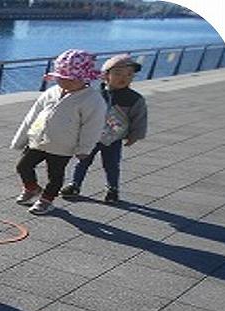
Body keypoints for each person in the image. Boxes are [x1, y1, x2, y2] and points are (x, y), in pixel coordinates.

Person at [10, 49, 107, 215]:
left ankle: (46, 200)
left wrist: (84, 149)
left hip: (63, 146)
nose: (63, 82)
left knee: (55, 175)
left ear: (85, 78)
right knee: (23, 166)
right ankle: (31, 188)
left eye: (69, 80)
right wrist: (21, 139)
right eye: (60, 78)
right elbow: (32, 116)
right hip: (38, 141)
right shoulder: (51, 92)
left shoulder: (92, 99)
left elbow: (92, 126)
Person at [60, 53, 148, 203]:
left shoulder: (134, 98)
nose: (124, 78)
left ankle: (112, 188)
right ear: (105, 76)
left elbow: (139, 119)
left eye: (129, 74)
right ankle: (74, 184)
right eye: (118, 73)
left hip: (114, 138)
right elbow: (81, 111)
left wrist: (135, 135)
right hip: (91, 136)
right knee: (83, 160)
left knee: (112, 164)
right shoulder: (93, 93)